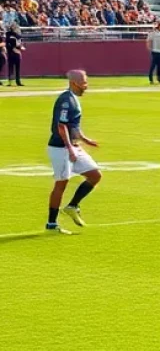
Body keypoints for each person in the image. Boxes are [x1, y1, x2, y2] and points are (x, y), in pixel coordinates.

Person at [46, 69, 102, 233]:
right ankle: (51, 224)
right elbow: (61, 126)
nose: (86, 86)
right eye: (84, 83)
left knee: (94, 175)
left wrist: (84, 140)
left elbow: (73, 126)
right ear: (73, 83)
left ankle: (72, 206)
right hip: (60, 148)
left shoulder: (74, 99)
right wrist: (69, 148)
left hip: (73, 147)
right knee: (61, 184)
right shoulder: (66, 101)